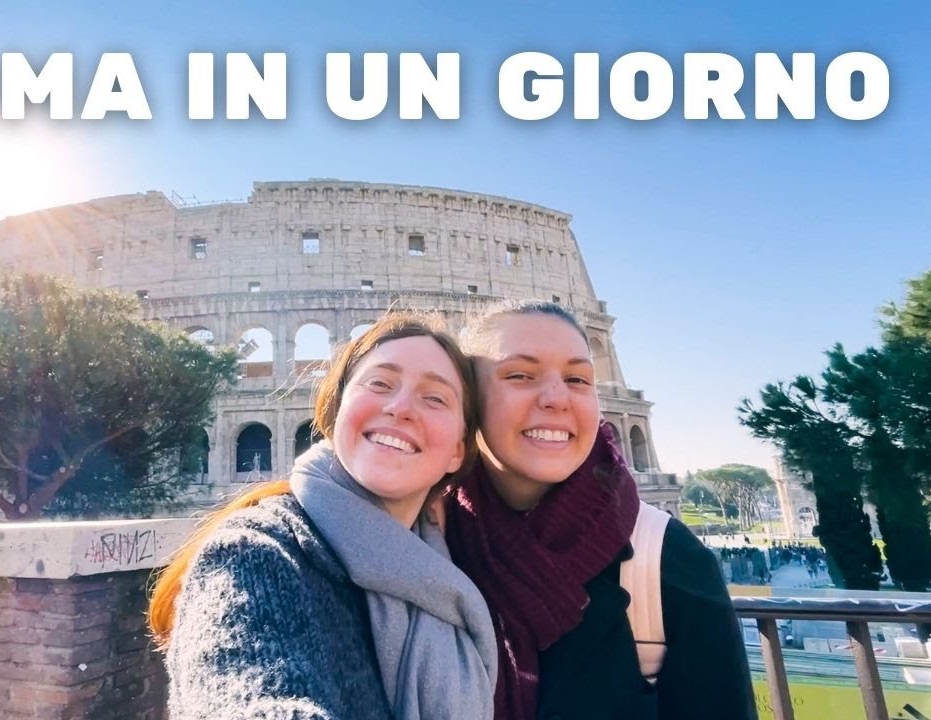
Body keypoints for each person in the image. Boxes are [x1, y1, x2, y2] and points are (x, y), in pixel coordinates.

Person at [148, 313, 498, 720]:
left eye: (435, 398)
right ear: (336, 412)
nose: (401, 408)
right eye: (380, 383)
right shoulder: (255, 552)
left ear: (458, 450)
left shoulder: (449, 566)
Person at [443, 300, 758, 720]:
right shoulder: (426, 543)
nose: (557, 398)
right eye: (520, 375)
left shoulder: (668, 558)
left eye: (577, 378)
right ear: (467, 402)